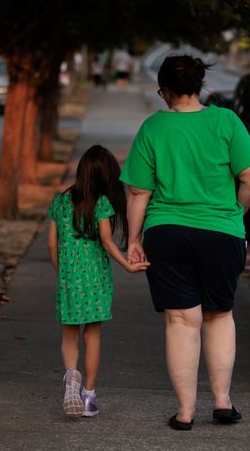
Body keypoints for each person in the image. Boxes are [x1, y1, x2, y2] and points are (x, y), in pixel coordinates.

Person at [120, 55, 250, 430]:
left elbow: (137, 191)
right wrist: (235, 214)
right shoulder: (225, 121)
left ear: (165, 89)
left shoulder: (153, 127)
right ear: (199, 86)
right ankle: (222, 403)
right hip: (221, 231)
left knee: (182, 322)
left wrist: (133, 240)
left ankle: (185, 413)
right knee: (218, 316)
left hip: (166, 232)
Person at [47, 145, 150, 418]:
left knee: (69, 333)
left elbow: (51, 244)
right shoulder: (102, 203)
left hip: (69, 279)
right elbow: (106, 241)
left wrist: (62, 273)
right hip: (94, 280)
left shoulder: (60, 201)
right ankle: (89, 396)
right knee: (92, 334)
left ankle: (71, 378)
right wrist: (127, 263)